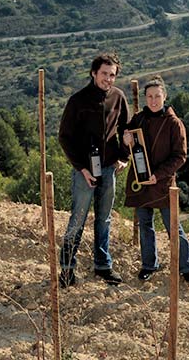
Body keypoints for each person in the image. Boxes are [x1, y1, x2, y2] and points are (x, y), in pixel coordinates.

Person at [57, 53, 129, 287]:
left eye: (112, 75)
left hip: (108, 169)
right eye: (104, 74)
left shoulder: (118, 98)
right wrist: (81, 168)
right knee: (77, 219)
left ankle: (102, 265)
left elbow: (127, 131)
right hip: (84, 172)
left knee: (104, 219)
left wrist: (124, 157)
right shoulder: (78, 101)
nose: (108, 79)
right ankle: (67, 269)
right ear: (93, 73)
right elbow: (65, 138)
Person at [122, 76, 189, 283]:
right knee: (145, 224)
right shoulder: (138, 119)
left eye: (157, 96)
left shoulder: (174, 124)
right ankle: (148, 265)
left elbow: (180, 156)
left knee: (173, 227)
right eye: (150, 96)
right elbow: (125, 140)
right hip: (141, 181)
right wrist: (125, 140)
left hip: (163, 184)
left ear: (165, 96)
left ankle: (186, 267)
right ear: (145, 98)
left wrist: (159, 175)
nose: (153, 100)